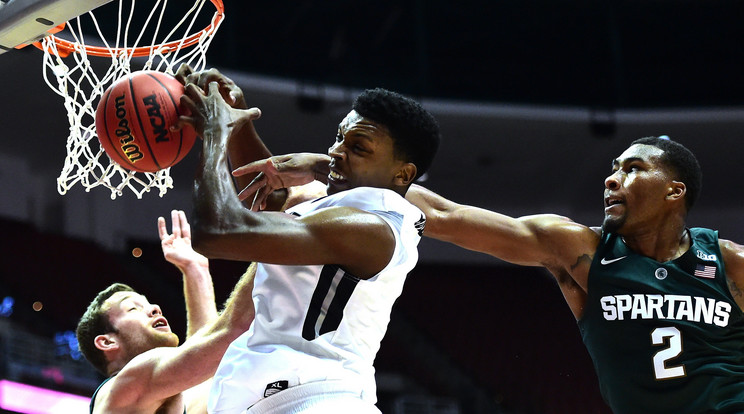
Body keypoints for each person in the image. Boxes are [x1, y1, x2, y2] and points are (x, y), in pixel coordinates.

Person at [240, 136, 744, 413]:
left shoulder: (729, 263)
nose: (612, 177)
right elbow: (444, 218)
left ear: (674, 192)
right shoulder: (577, 249)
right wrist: (333, 167)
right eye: (613, 167)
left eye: (633, 169)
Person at [179, 78, 440, 413]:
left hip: (321, 401)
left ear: (402, 175)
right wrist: (238, 121)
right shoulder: (338, 210)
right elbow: (266, 201)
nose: (335, 152)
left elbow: (216, 230)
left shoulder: (371, 228)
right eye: (338, 137)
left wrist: (217, 133)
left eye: (358, 147)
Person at [76, 210, 257, 414]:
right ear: (107, 342)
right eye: (133, 307)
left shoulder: (166, 397)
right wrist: (277, 243)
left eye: (148, 303)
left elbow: (206, 357)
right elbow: (230, 332)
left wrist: (195, 270)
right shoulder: (124, 388)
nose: (154, 308)